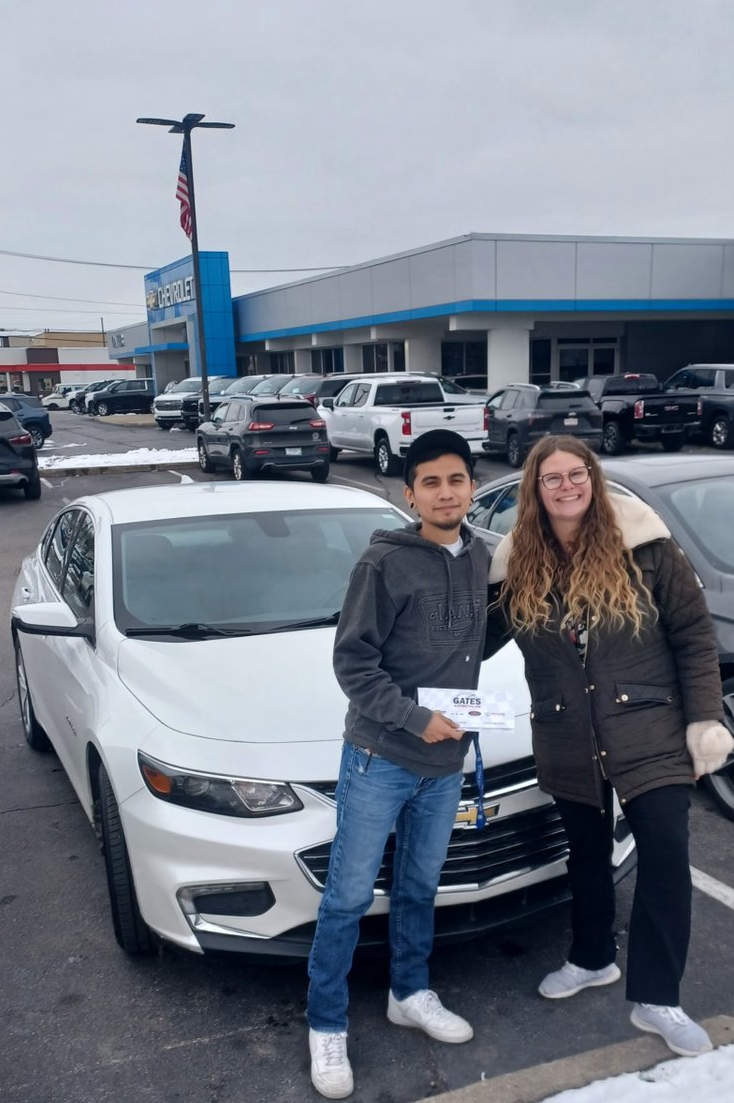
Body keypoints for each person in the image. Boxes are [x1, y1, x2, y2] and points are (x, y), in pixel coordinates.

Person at [485, 434, 733, 1058]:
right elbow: (473, 642)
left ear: (592, 480)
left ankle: (658, 998)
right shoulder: (517, 566)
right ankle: (592, 958)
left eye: (576, 475)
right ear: (534, 491)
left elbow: (694, 639)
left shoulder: (646, 550)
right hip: (567, 735)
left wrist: (705, 719)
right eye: (552, 479)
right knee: (587, 857)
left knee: (666, 861)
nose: (566, 486)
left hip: (650, 731)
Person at [306, 429, 489, 1099]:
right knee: (348, 897)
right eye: (431, 483)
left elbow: (474, 641)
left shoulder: (480, 558)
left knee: (418, 887)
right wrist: (414, 717)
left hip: (444, 764)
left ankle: (408, 992)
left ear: (472, 486)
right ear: (409, 494)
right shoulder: (381, 564)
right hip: (380, 757)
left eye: (457, 480)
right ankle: (325, 1024)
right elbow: (353, 663)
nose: (446, 493)